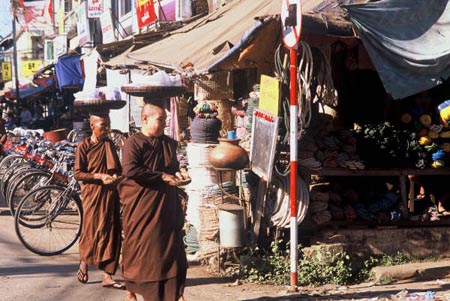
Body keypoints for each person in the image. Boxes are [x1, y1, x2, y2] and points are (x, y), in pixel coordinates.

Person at [118, 103, 188, 301]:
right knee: (141, 248)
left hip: (166, 205)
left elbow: (172, 167)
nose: (164, 125)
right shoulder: (134, 143)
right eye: (160, 120)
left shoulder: (167, 143)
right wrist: (162, 177)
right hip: (142, 205)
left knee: (170, 248)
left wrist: (179, 175)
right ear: (145, 119)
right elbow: (130, 171)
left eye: (165, 120)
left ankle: (173, 293)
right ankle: (133, 290)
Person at [73, 112, 125, 290]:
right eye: (103, 125)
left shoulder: (109, 144)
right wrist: (98, 176)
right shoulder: (84, 146)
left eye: (108, 124)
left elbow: (116, 168)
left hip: (110, 192)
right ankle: (84, 263)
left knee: (112, 231)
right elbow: (78, 173)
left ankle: (108, 275)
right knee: (91, 229)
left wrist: (115, 176)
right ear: (92, 126)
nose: (107, 128)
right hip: (92, 193)